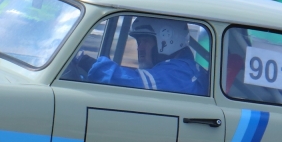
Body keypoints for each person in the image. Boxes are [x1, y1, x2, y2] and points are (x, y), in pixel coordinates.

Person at [79, 18, 208, 95]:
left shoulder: (179, 73)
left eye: (145, 41)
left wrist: (84, 61)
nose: (139, 48)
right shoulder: (183, 68)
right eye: (139, 42)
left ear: (166, 41)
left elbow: (130, 82)